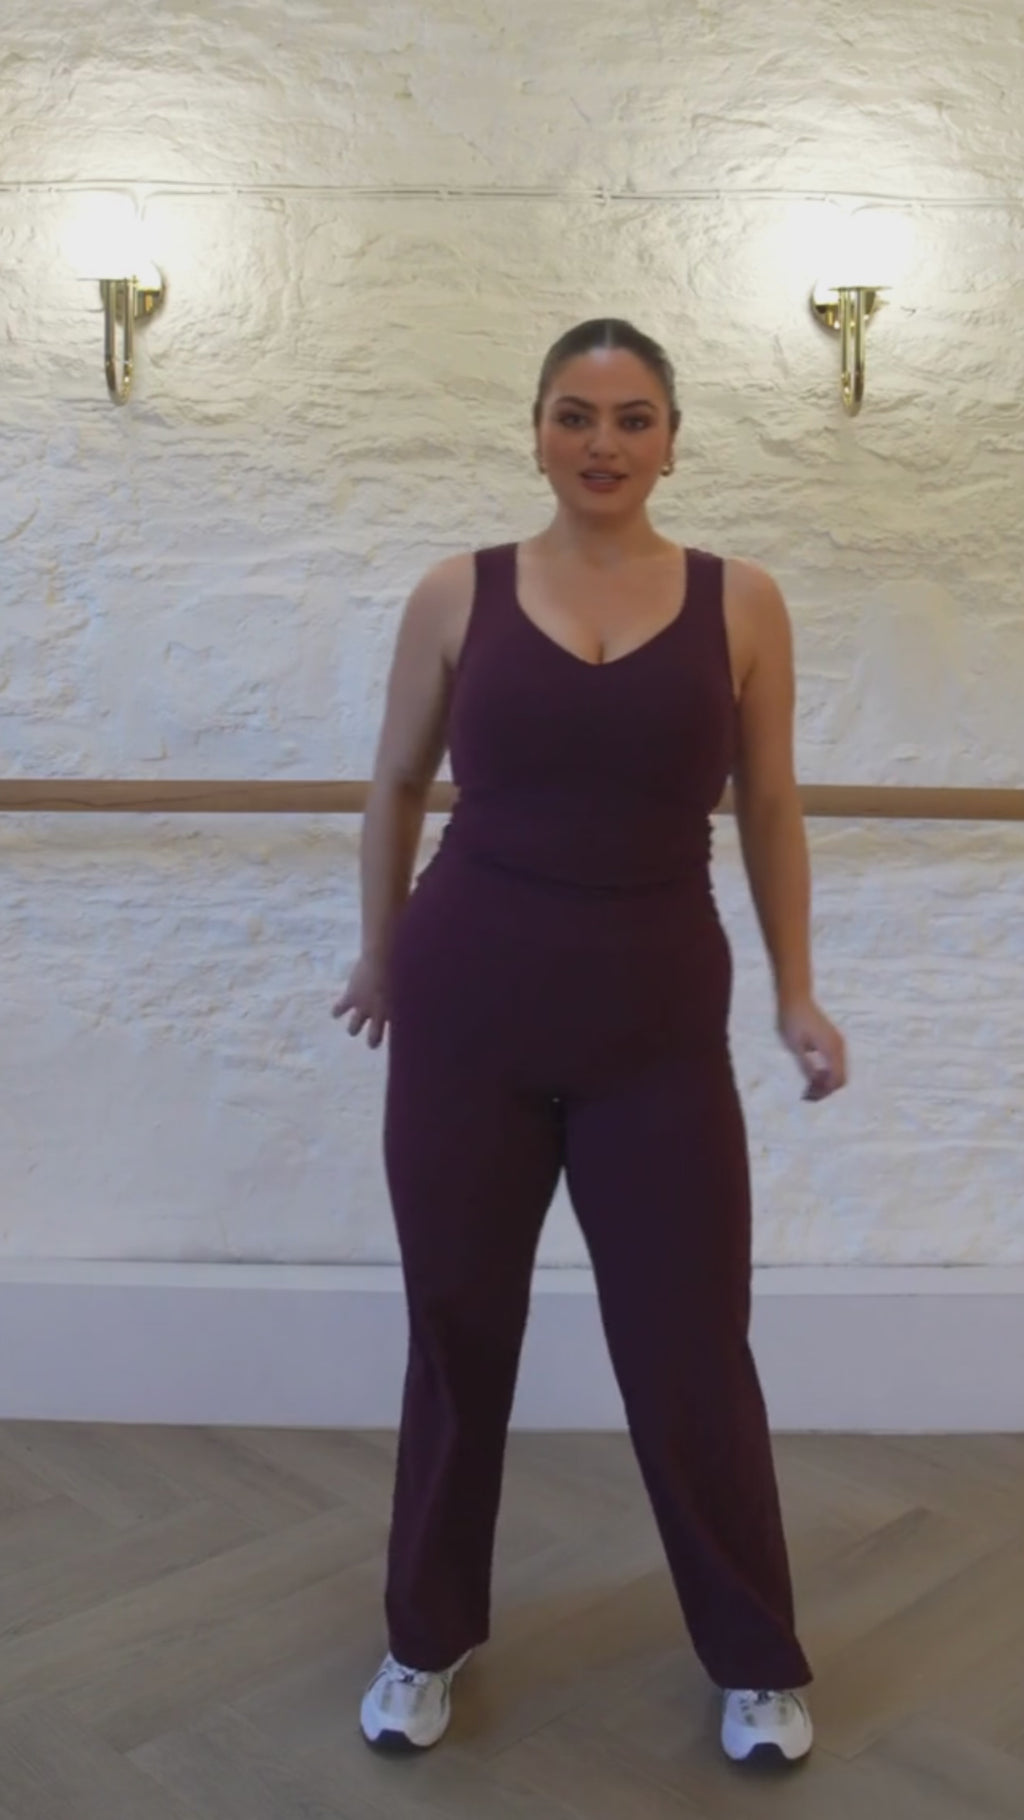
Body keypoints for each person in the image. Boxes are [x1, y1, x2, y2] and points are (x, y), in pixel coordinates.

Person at [332, 317, 847, 1768]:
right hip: (468, 1012)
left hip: (656, 1027)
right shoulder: (458, 592)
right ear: (538, 433)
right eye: (574, 415)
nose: (602, 443)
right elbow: (395, 783)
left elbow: (770, 805)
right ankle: (425, 1637)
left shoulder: (744, 601)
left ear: (673, 440)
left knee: (691, 1348)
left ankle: (756, 1661)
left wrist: (797, 992)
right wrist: (379, 951)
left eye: (631, 418)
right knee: (457, 1332)